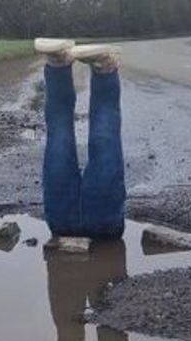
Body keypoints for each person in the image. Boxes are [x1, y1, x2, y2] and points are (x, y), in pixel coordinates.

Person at [35, 38, 125, 241]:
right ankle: (58, 64)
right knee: (60, 130)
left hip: (61, 225)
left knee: (99, 133)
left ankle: (103, 68)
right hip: (104, 224)